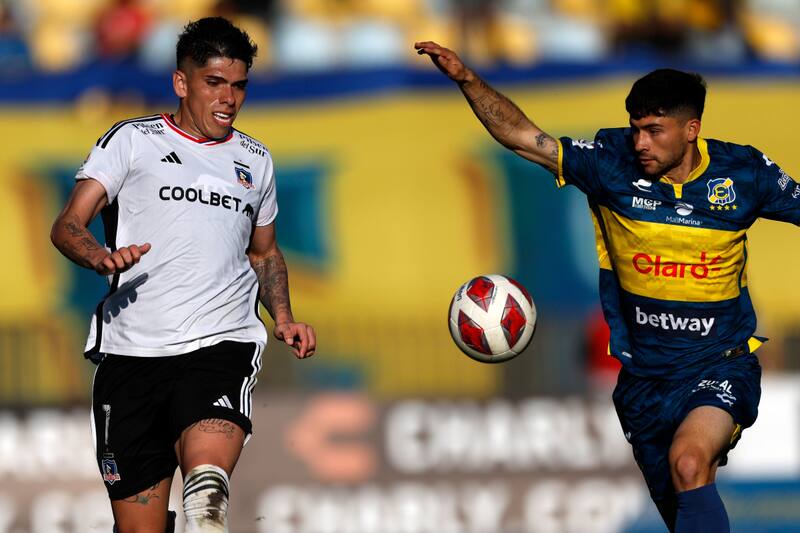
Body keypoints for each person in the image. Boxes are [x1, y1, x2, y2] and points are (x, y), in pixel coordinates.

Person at [415, 41, 799, 532]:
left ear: (691, 130)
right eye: (637, 128)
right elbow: (522, 138)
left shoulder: (743, 173)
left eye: (654, 131)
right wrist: (467, 79)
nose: (640, 142)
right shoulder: (610, 162)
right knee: (681, 509)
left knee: (689, 463)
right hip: (644, 382)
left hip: (719, 363)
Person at [51, 17, 316, 532]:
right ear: (181, 83)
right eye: (214, 83)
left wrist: (283, 316)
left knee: (205, 493)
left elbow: (265, 253)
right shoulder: (132, 141)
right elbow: (67, 224)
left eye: (238, 86)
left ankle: (205, 502)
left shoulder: (254, 160)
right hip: (132, 356)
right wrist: (99, 256)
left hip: (220, 345)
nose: (229, 99)